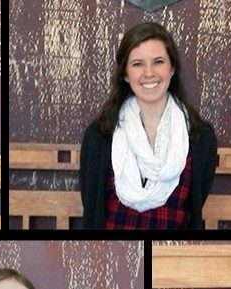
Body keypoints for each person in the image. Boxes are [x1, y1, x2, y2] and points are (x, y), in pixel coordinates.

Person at [80, 22, 217, 229]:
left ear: (172, 69)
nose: (149, 73)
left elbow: (194, 206)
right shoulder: (99, 136)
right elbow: (92, 208)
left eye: (158, 62)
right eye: (137, 64)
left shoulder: (201, 138)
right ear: (125, 74)